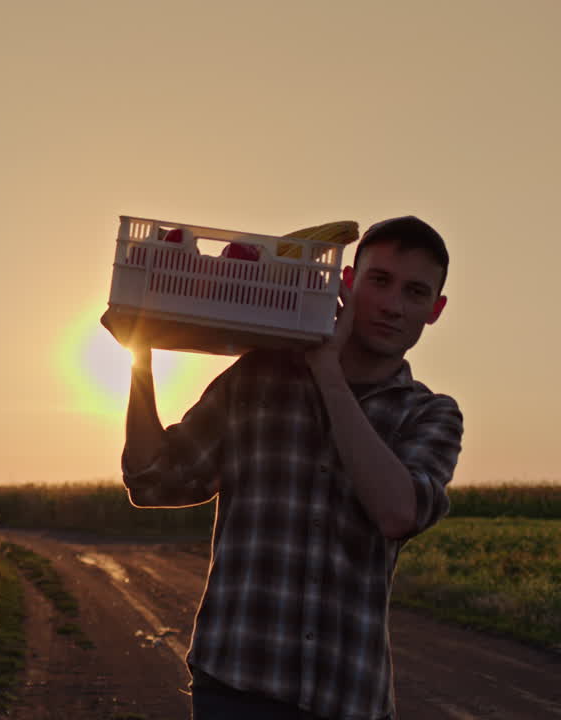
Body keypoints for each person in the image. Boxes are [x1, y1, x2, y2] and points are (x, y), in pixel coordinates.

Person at [100, 216, 463, 720]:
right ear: (348, 283)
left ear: (434, 310)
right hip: (236, 684)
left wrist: (327, 372)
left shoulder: (431, 414)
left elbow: (397, 512)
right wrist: (140, 358)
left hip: (347, 694)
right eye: (379, 281)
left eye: (415, 292)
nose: (392, 305)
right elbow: (153, 479)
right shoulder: (259, 377)